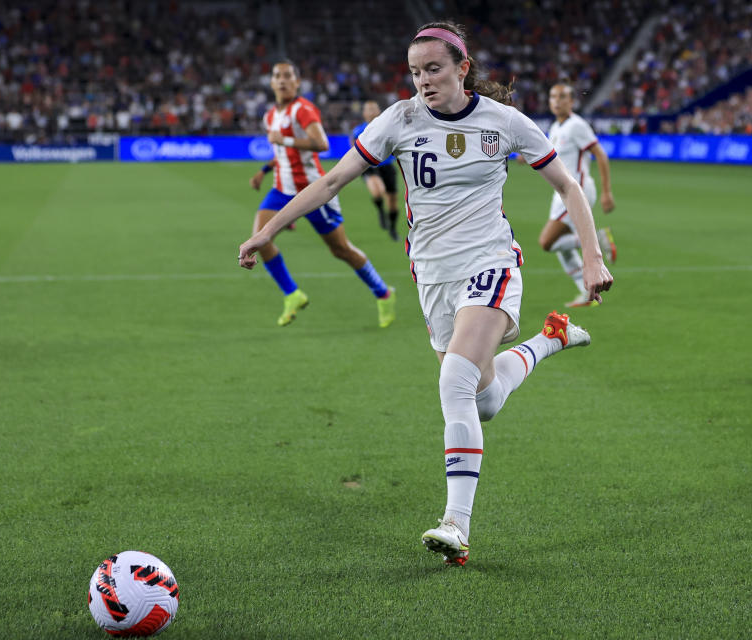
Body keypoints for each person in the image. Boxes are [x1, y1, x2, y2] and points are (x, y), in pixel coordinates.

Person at [238, 23, 613, 565]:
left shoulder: (503, 122)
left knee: (453, 380)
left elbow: (568, 185)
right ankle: (549, 340)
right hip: (431, 277)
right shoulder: (400, 119)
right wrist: (269, 229)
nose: (423, 81)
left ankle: (455, 526)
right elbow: (329, 182)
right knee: (480, 399)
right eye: (415, 72)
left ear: (462, 68)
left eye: (433, 69)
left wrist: (594, 257)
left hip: (491, 263)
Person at [248, 60, 397, 327]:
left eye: (287, 76)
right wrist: (263, 170)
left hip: (312, 191)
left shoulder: (304, 110)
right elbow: (282, 153)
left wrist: (285, 140)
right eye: (277, 76)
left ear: (296, 82)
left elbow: (321, 143)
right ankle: (292, 294)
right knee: (259, 238)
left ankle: (383, 293)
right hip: (281, 189)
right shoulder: (270, 115)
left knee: (340, 250)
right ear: (271, 83)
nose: (282, 80)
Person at [532, 83, 617, 307]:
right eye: (553, 97)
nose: (557, 101)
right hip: (558, 192)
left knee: (547, 242)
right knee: (562, 247)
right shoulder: (556, 127)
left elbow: (601, 155)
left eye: (562, 97)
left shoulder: (577, 126)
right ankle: (586, 293)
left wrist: (607, 192)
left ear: (571, 101)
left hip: (576, 190)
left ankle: (596, 238)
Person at [351, 100, 401, 241]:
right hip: (370, 167)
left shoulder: (387, 127)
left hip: (387, 166)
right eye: (368, 109)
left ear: (379, 111)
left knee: (392, 200)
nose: (371, 112)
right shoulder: (358, 131)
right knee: (378, 191)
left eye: (374, 109)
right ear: (364, 113)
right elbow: (353, 150)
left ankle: (392, 227)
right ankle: (380, 211)